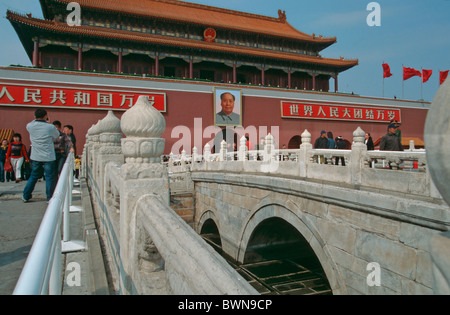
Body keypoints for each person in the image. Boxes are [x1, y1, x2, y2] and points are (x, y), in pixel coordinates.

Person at [23, 109, 60, 203]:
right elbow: (57, 135)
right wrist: (47, 121)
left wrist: (36, 119)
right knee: (49, 177)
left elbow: (31, 123)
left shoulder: (30, 126)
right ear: (45, 116)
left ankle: (26, 196)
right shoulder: (50, 127)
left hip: (35, 155)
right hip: (48, 156)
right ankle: (49, 198)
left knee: (34, 176)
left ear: (34, 116)